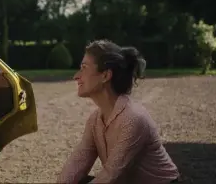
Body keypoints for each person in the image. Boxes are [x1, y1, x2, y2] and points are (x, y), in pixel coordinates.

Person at [57, 40, 180, 184]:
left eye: (84, 68)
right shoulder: (95, 121)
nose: (76, 76)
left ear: (105, 76)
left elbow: (111, 175)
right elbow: (77, 163)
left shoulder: (133, 118)